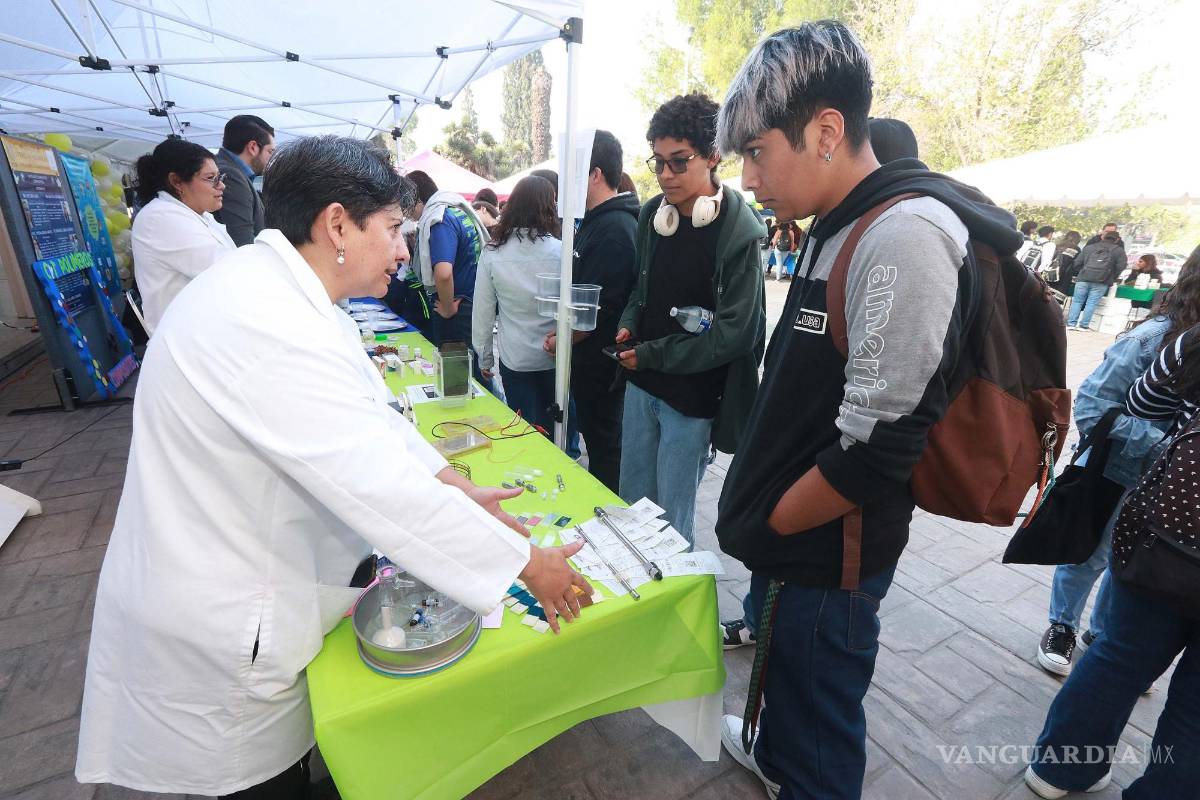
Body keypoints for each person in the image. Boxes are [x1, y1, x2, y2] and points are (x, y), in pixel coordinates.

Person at [75, 136, 589, 799]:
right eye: (394, 229)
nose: (404, 251)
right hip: (222, 619)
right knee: (261, 786)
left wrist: (456, 486)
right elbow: (378, 488)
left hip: (240, 578)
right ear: (338, 223)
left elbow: (375, 424)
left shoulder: (290, 297)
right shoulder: (268, 321)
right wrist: (529, 563)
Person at [713, 21, 1024, 799]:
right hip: (792, 546)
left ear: (824, 131)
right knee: (789, 691)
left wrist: (771, 522)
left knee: (822, 729)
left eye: (756, 152)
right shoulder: (836, 220)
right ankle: (777, 758)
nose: (748, 178)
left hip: (831, 554)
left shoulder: (905, 234)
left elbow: (879, 447)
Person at [1025, 247, 1200, 799]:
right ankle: (1063, 624)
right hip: (1146, 492)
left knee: (1121, 644)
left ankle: (1061, 767)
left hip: (1174, 510)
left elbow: (1142, 406)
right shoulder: (1161, 338)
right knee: (1092, 561)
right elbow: (1099, 402)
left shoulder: (1182, 343)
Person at [615, 93, 766, 547]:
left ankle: (677, 606)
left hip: (692, 397)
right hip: (642, 384)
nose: (665, 175)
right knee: (632, 507)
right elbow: (640, 292)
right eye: (657, 162)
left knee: (671, 521)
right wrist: (628, 321)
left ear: (714, 155)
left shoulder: (737, 231)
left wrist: (652, 354)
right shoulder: (650, 217)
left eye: (679, 162)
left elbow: (734, 334)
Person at [1035, 266, 1200, 674]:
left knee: (1127, 558)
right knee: (1089, 554)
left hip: (1161, 480)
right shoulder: (1149, 339)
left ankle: (1101, 633)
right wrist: (1165, 446)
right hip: (1114, 469)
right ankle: (1062, 625)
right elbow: (1092, 407)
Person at [543, 130, 639, 493]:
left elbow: (596, 310)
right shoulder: (597, 222)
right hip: (591, 363)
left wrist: (562, 339)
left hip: (602, 367)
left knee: (605, 449)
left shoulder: (614, 229)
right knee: (600, 443)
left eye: (573, 175)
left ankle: (607, 514)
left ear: (595, 174)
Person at [472, 176, 562, 433]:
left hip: (515, 357)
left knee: (523, 430)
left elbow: (483, 310)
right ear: (548, 207)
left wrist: (484, 356)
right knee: (556, 431)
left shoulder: (492, 252)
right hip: (554, 355)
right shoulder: (561, 251)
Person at [131, 138, 236, 332]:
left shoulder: (199, 215)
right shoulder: (161, 217)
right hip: (189, 340)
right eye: (210, 178)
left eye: (220, 177)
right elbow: (226, 271)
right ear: (176, 181)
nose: (221, 186)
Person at [408, 169, 490, 384]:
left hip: (456, 309)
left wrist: (447, 306)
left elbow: (443, 274)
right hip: (472, 301)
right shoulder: (457, 210)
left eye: (406, 204)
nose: (407, 213)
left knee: (459, 379)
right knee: (473, 373)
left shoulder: (439, 219)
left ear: (417, 199)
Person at [214, 114, 275, 246]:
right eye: (270, 151)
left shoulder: (226, 168)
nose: (271, 159)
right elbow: (243, 242)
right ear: (253, 147)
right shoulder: (231, 176)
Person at [1067, 226, 1127, 331]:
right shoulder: (1119, 251)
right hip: (1102, 281)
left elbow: (1077, 263)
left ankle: (1071, 324)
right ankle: (1083, 326)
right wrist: (1112, 276)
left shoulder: (1089, 247)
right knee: (1091, 302)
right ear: (1117, 240)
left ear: (1103, 237)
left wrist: (1083, 271)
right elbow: (1121, 266)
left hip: (1083, 278)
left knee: (1077, 301)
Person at [1047, 230, 1083, 295]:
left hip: (1050, 273)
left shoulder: (1057, 246)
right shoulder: (1076, 249)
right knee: (1056, 297)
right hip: (1064, 275)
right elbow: (1077, 264)